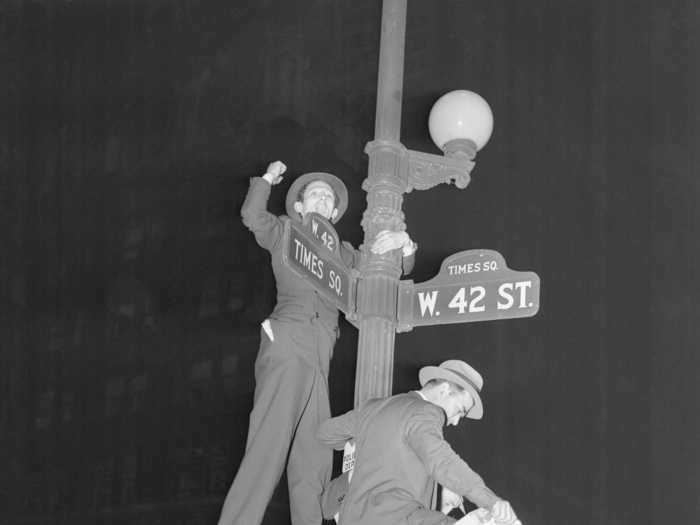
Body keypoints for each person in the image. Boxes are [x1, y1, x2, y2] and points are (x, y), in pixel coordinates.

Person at [217, 160, 417, 525]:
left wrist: (404, 246)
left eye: (328, 198)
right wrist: (265, 181)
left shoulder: (344, 254)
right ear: (299, 206)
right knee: (268, 446)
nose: (323, 200)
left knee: (314, 459)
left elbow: (385, 275)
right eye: (316, 194)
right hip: (289, 342)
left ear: (335, 212)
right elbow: (252, 216)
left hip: (321, 359)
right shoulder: (286, 230)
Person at [317, 359, 522, 525]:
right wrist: (492, 502)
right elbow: (442, 463)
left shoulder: (374, 408)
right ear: (444, 389)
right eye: (460, 410)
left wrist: (366, 454)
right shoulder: (425, 413)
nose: (455, 421)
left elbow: (326, 433)